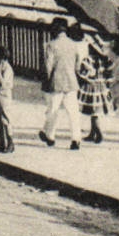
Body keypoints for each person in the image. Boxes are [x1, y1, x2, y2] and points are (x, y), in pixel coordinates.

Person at [38, 18, 83, 149]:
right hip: (71, 82)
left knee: (53, 110)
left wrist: (46, 82)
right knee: (73, 112)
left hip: (56, 83)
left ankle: (50, 136)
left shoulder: (51, 45)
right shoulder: (73, 44)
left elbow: (48, 66)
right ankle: (76, 139)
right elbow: (78, 65)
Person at [77, 28, 117, 144]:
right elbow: (109, 71)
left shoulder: (88, 60)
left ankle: (98, 131)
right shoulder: (104, 60)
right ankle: (92, 132)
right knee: (96, 111)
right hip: (101, 86)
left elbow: (84, 73)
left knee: (93, 110)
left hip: (91, 87)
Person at [0, 46, 15, 153]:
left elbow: (5, 84)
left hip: (4, 96)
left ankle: (10, 142)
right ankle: (1, 143)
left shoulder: (7, 69)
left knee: (6, 119)